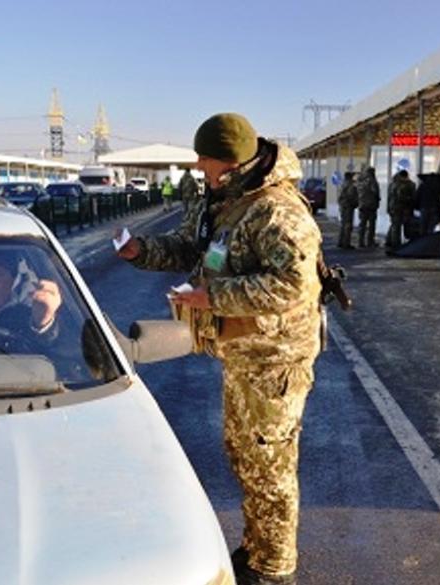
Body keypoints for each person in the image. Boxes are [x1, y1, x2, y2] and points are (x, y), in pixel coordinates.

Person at [116, 113, 321, 585]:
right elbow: (192, 246)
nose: (197, 166)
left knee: (269, 464)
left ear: (228, 162)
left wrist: (213, 297)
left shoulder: (275, 210)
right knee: (244, 456)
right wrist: (141, 251)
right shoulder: (225, 199)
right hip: (243, 354)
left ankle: (275, 569)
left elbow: (294, 284)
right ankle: (257, 546)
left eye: (203, 158)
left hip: (275, 359)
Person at [386, 169, 416, 249]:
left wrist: (388, 208)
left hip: (393, 207)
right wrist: (410, 201)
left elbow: (389, 197)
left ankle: (389, 241)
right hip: (402, 208)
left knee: (394, 225)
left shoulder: (392, 183)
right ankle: (396, 244)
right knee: (397, 227)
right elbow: (405, 198)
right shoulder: (408, 184)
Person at [356, 165, 380, 248]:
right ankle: (370, 241)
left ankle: (360, 242)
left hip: (362, 205)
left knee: (362, 224)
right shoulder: (372, 181)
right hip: (371, 205)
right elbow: (375, 192)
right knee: (371, 225)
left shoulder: (360, 181)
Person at [337, 171, 358, 249]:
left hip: (343, 206)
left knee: (343, 224)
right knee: (348, 225)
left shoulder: (342, 184)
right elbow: (351, 196)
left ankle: (341, 241)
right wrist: (355, 203)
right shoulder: (350, 185)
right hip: (348, 206)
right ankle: (346, 243)